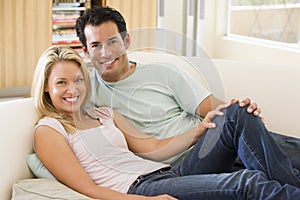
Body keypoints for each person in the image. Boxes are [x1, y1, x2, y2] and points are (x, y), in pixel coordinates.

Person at [31, 45, 300, 200]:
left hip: (170, 172)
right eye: (61, 83)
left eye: (78, 80)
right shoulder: (49, 129)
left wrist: (201, 128)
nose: (73, 89)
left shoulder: (104, 114)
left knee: (233, 113)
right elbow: (87, 188)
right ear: (45, 88)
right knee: (247, 182)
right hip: (140, 188)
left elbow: (154, 146)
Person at [75, 6, 300, 168]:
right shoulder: (84, 89)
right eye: (95, 45)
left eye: (113, 42)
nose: (105, 53)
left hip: (215, 141)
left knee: (243, 120)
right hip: (188, 162)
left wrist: (243, 112)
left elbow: (214, 109)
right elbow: (52, 85)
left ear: (126, 42)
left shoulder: (163, 73)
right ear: (85, 52)